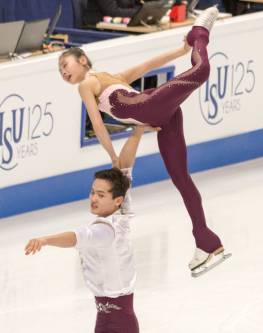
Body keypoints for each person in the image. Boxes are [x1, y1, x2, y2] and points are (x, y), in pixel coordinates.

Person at [58, 7, 229, 276]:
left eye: (64, 65)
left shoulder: (89, 83)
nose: (62, 72)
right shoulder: (108, 79)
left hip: (150, 104)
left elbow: (99, 123)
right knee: (181, 178)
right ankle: (206, 242)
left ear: (82, 60)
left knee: (202, 70)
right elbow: (147, 66)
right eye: (60, 70)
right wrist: (179, 51)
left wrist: (113, 157)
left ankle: (200, 31)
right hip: (156, 113)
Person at [25, 125, 152, 333]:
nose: (93, 198)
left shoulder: (105, 231)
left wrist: (45, 240)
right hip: (105, 316)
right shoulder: (121, 211)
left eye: (101, 195)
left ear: (116, 200)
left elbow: (77, 237)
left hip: (120, 323)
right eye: (93, 192)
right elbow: (125, 169)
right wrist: (137, 132)